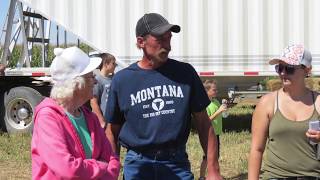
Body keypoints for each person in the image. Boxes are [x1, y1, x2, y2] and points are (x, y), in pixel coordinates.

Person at [105, 13, 222, 180]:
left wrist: (213, 169)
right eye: (160, 39)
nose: (167, 46)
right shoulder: (123, 80)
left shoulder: (185, 73)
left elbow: (204, 123)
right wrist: (111, 169)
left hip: (176, 162)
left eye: (169, 38)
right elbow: (112, 131)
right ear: (141, 42)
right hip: (138, 164)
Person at [31, 47, 120, 179]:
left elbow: (113, 160)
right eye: (91, 76)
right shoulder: (48, 117)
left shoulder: (91, 118)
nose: (95, 81)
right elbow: (67, 169)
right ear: (77, 83)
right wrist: (101, 166)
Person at [248, 44, 320, 179]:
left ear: (307, 70)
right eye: (279, 68)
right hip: (275, 176)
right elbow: (256, 150)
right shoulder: (267, 103)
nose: (283, 73)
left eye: (289, 69)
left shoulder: (318, 101)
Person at [199, 80, 227, 180]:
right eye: (214, 90)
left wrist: (224, 110)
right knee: (207, 157)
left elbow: (222, 115)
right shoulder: (205, 104)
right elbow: (207, 120)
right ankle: (202, 177)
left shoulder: (216, 102)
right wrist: (219, 111)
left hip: (216, 133)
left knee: (216, 156)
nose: (216, 91)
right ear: (207, 91)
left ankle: (214, 174)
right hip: (209, 135)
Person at [90, 53, 117, 128]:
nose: (115, 65)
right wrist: (101, 120)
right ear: (106, 64)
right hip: (104, 121)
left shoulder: (115, 79)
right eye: (113, 63)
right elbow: (93, 102)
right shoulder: (98, 80)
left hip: (114, 120)